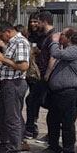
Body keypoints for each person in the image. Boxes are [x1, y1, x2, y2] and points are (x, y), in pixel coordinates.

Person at [0, 21, 31, 153]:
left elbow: (23, 65)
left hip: (14, 83)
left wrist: (3, 59)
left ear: (7, 31)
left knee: (13, 117)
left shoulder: (20, 42)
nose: (2, 39)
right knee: (3, 116)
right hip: (6, 83)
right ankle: (5, 144)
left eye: (2, 36)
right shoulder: (12, 43)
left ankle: (15, 149)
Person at [41, 28, 77, 153]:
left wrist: (54, 41)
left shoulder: (76, 50)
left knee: (67, 123)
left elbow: (55, 53)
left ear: (70, 38)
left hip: (69, 93)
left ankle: (68, 151)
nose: (60, 37)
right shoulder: (66, 51)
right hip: (58, 93)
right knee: (52, 120)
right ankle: (53, 146)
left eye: (63, 35)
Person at [26, 11, 56, 140]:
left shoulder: (52, 37)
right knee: (32, 100)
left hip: (45, 75)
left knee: (43, 102)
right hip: (39, 74)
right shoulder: (42, 36)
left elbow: (53, 57)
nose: (36, 24)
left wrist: (47, 74)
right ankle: (31, 127)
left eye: (38, 21)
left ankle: (34, 128)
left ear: (44, 22)